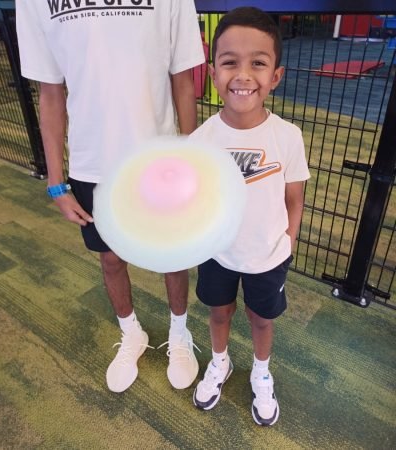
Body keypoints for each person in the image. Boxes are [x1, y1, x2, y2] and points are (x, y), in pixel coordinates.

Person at [16, 0, 206, 393]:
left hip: (160, 157)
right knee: (111, 257)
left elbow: (183, 81)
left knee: (172, 255)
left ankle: (179, 333)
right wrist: (56, 182)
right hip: (92, 163)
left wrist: (194, 160)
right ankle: (131, 332)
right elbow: (50, 94)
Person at [189, 7, 310, 426]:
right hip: (217, 253)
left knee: (262, 319)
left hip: (268, 256)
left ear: (275, 75)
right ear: (213, 72)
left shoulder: (288, 136)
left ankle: (261, 370)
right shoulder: (200, 139)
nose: (242, 75)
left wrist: (288, 240)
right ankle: (219, 362)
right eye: (229, 63)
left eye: (257, 63)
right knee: (219, 312)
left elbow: (295, 196)